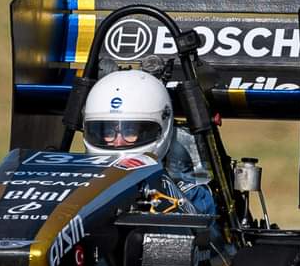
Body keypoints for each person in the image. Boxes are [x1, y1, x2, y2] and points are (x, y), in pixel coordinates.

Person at [81, 69, 216, 217]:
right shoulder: (75, 184)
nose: (118, 142)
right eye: (107, 133)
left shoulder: (191, 193)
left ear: (161, 128)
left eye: (130, 132)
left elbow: (208, 234)